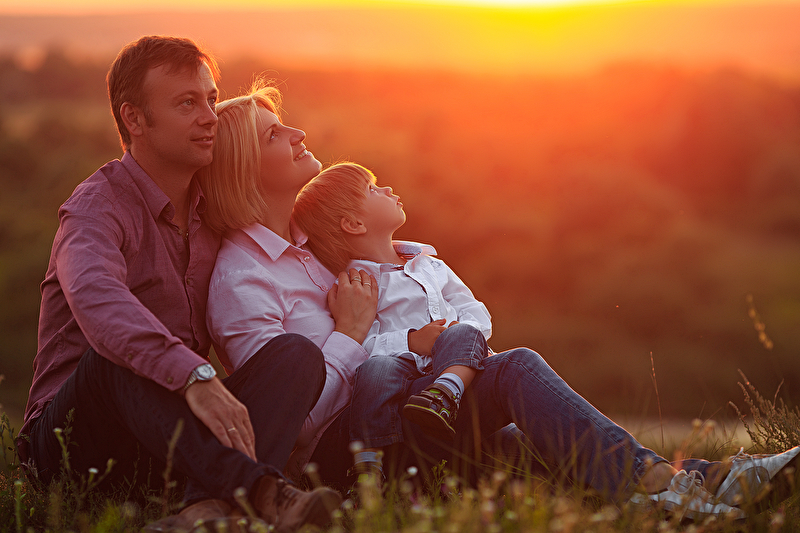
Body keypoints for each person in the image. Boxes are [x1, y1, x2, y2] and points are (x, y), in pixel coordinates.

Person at [202, 81, 800, 520]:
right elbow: (289, 423)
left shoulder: (315, 246)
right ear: (242, 166)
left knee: (527, 407)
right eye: (274, 135)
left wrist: (412, 276)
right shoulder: (243, 279)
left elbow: (386, 262)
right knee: (519, 408)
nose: (299, 132)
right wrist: (355, 334)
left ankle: (696, 487)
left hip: (420, 404)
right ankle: (689, 490)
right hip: (359, 446)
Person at [18, 36, 343, 533]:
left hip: (163, 440)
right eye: (187, 104)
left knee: (294, 354)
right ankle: (262, 494)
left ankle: (202, 509)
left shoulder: (212, 216)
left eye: (210, 99)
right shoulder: (94, 210)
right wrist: (196, 375)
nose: (210, 117)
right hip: (72, 442)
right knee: (115, 355)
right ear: (134, 119)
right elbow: (100, 305)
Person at [292, 162, 491, 484]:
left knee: (468, 330)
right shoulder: (355, 285)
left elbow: (474, 310)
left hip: (455, 363)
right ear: (354, 223)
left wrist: (455, 336)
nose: (386, 189)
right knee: (375, 370)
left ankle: (446, 392)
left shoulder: (431, 267)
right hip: (404, 373)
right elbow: (362, 344)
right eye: (372, 189)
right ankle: (370, 464)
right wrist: (412, 341)